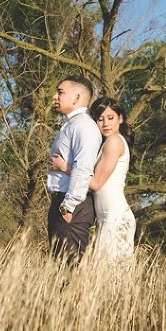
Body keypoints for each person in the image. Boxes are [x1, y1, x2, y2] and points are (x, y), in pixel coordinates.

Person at [51, 96, 137, 263]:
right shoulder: (108, 142)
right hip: (106, 218)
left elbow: (96, 183)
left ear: (120, 118)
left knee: (110, 277)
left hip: (115, 217)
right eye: (100, 119)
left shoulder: (114, 142)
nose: (105, 123)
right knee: (103, 278)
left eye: (110, 118)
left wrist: (64, 167)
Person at [46, 75, 101, 263]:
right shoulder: (70, 125)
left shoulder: (84, 126)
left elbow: (83, 168)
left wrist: (68, 206)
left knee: (69, 271)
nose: (55, 97)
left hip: (72, 204)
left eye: (60, 92)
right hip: (63, 201)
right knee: (60, 268)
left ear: (77, 98)